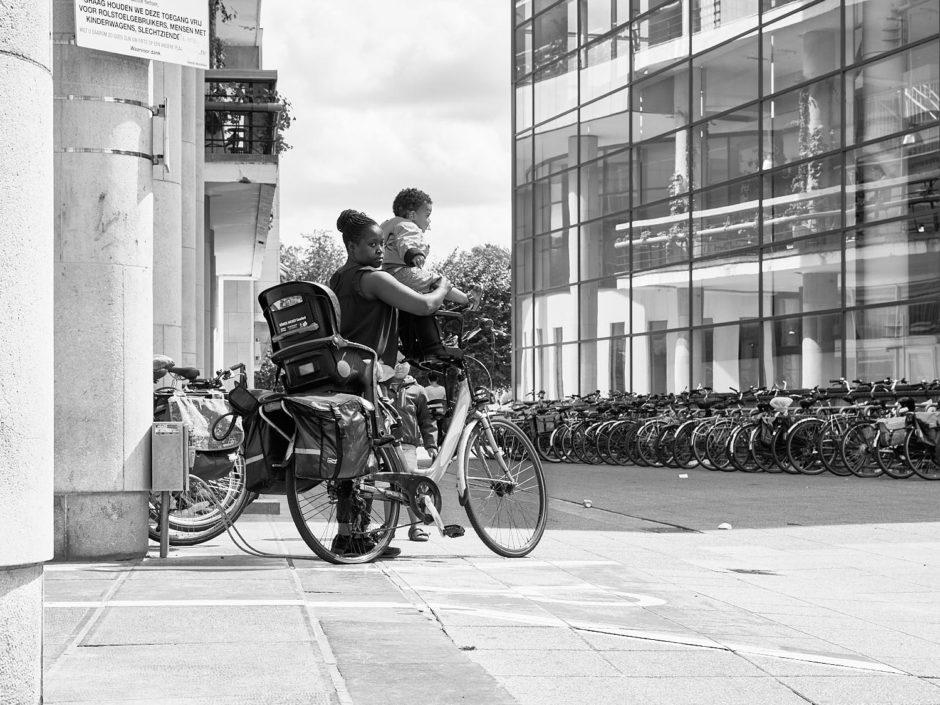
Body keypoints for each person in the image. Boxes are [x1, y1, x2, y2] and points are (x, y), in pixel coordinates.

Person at [328, 208, 453, 558]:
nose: (380, 250)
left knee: (355, 459)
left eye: (382, 244)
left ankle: (349, 534)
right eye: (371, 244)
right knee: (366, 459)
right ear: (352, 247)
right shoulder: (372, 278)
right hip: (369, 375)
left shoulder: (339, 277)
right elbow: (425, 305)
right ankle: (356, 536)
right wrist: (443, 285)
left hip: (345, 372)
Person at [379, 188, 481, 359]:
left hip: (386, 273)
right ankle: (467, 300)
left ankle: (410, 346)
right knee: (437, 281)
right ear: (412, 215)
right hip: (403, 271)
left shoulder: (387, 224)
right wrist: (414, 254)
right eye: (426, 215)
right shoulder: (408, 225)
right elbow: (407, 242)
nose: (429, 222)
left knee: (409, 309)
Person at [387, 357, 438, 542]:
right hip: (385, 446)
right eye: (396, 360)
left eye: (403, 361)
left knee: (410, 485)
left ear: (410, 365)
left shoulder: (418, 390)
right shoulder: (381, 387)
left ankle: (415, 527)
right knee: (389, 487)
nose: (399, 365)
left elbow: (427, 420)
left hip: (407, 446)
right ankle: (388, 528)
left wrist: (431, 445)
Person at [424, 371, 447, 446]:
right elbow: (445, 401)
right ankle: (440, 439)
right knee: (440, 427)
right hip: (440, 413)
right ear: (437, 379)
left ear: (428, 380)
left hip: (430, 413)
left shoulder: (425, 389)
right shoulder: (443, 389)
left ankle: (434, 443)